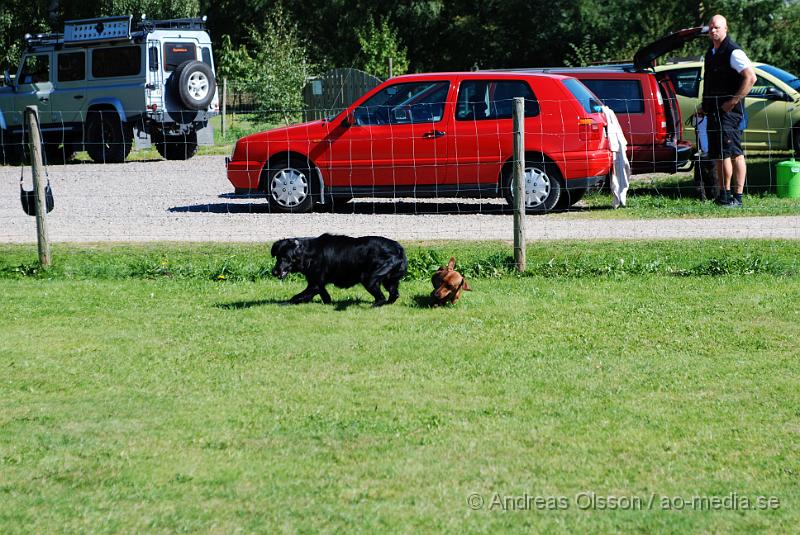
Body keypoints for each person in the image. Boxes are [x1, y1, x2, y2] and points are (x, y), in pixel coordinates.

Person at [700, 14, 757, 207]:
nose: (713, 31)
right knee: (718, 153)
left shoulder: (734, 52)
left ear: (726, 29)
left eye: (717, 27)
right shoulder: (710, 53)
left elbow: (751, 78)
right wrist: (704, 106)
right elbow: (710, 82)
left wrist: (733, 101)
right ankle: (723, 195)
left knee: (733, 152)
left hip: (729, 113)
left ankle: (737, 197)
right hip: (713, 110)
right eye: (711, 28)